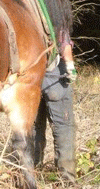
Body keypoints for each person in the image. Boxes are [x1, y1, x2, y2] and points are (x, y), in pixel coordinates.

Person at [33, 37, 77, 183]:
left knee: (33, 127)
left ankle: (31, 173)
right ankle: (67, 178)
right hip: (55, 75)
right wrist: (70, 66)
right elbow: (64, 42)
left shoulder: (25, 13)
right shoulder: (54, 14)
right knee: (63, 126)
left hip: (30, 77)